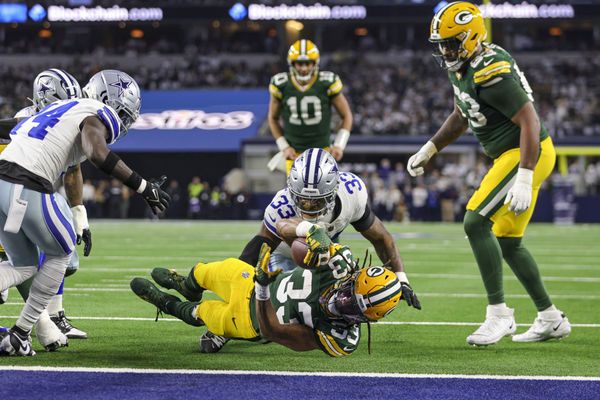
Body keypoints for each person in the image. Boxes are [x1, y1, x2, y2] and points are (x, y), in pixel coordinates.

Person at [407, 1, 570, 346]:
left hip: (525, 152)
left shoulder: (489, 71)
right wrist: (431, 147)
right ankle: (551, 318)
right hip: (513, 154)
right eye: (441, 44)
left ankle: (499, 315)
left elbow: (530, 121)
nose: (445, 50)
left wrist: (525, 174)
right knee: (508, 243)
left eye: (451, 42)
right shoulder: (465, 65)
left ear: (471, 37)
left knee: (475, 222)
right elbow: (463, 114)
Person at [0, 69, 171, 356]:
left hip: (4, 180)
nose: (124, 121)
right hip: (25, 182)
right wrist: (144, 187)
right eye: (126, 113)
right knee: (62, 250)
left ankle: (20, 337)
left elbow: (9, 126)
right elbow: (96, 153)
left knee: (25, 266)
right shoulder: (97, 111)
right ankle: (20, 333)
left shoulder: (58, 107)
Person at [202, 148, 421, 353]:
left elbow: (381, 238)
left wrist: (402, 279)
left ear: (334, 189)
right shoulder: (282, 203)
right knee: (270, 317)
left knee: (332, 305)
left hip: (322, 259)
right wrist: (242, 281)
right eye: (303, 200)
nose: (308, 207)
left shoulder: (351, 193)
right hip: (284, 255)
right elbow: (259, 244)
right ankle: (224, 327)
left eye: (316, 201)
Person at [130, 233, 403, 357]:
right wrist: (310, 232)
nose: (342, 302)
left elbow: (274, 332)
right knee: (204, 272)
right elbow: (284, 225)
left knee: (199, 314)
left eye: (353, 308)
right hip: (249, 282)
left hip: (250, 320)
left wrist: (262, 290)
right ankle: (186, 285)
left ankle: (165, 303)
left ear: (369, 320)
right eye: (349, 294)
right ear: (354, 275)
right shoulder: (337, 260)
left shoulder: (342, 338)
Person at [1, 69, 88, 350]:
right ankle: (44, 324)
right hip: (13, 193)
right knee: (24, 263)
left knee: (58, 260)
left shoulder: (65, 121)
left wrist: (79, 215)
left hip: (30, 195)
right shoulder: (25, 122)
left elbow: (73, 170)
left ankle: (50, 319)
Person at [267, 39, 353, 174]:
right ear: (292, 63)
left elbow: (346, 115)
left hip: (323, 151)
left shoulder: (326, 82)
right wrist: (284, 147)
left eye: (308, 63)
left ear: (315, 63)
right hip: (294, 153)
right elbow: (273, 118)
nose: (304, 68)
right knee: (296, 194)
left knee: (324, 193)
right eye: (299, 64)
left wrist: (339, 145)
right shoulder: (281, 84)